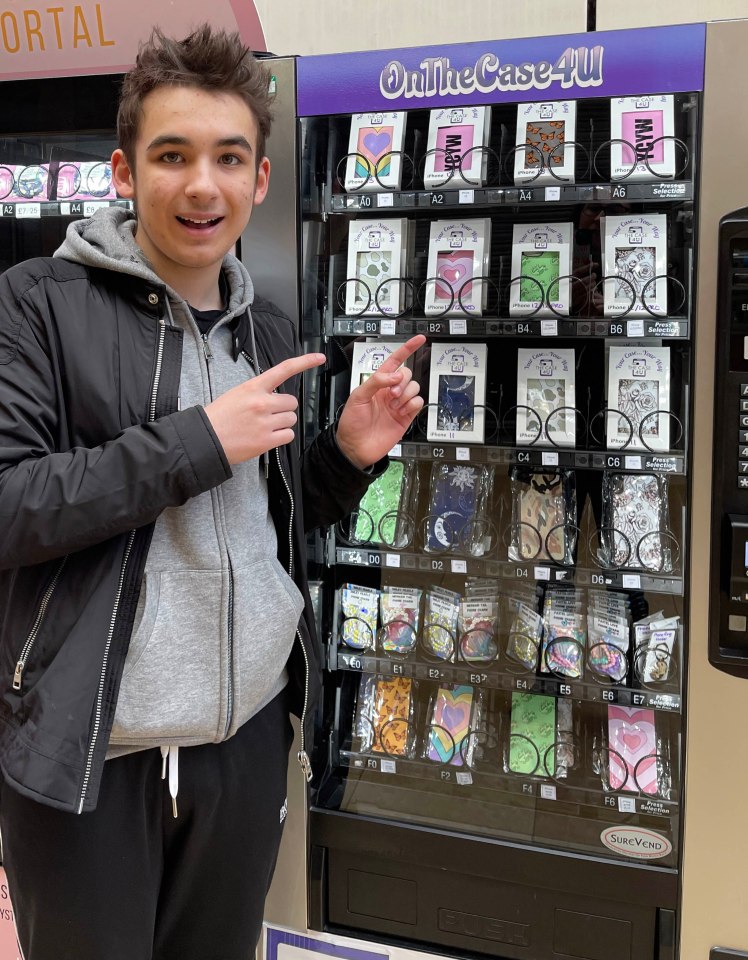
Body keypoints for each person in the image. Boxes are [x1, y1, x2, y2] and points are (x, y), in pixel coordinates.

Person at [0, 24, 425, 960]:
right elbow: (12, 505)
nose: (203, 185)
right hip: (94, 761)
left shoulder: (266, 332)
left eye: (229, 158)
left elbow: (263, 527)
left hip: (243, 746)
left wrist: (345, 458)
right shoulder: (33, 304)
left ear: (260, 180)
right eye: (172, 155)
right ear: (123, 170)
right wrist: (196, 441)